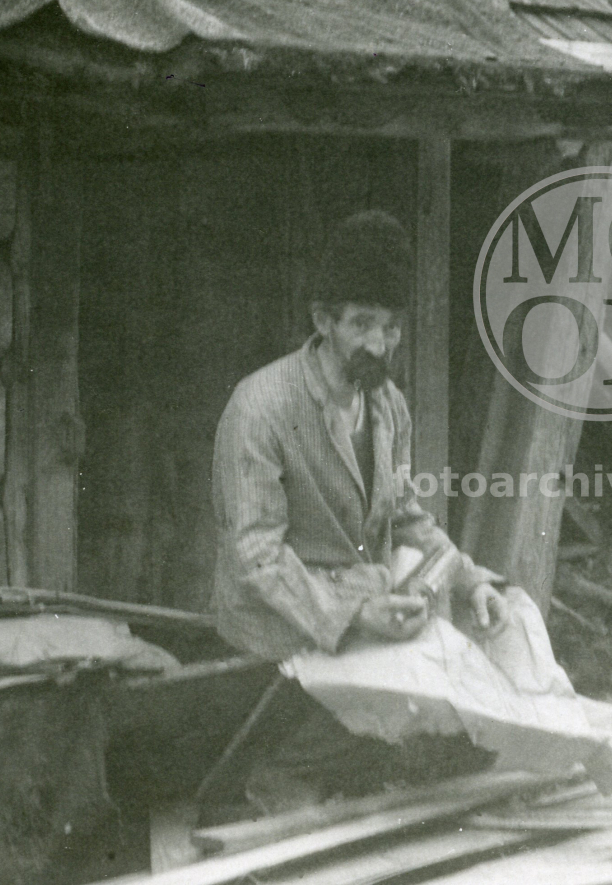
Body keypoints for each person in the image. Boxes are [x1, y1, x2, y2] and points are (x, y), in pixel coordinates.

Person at [211, 209, 507, 663]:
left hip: (364, 603)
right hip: (281, 624)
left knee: (507, 629)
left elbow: (405, 515)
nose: (379, 344)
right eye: (363, 323)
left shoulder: (388, 406)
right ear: (323, 320)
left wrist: (471, 580)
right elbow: (256, 553)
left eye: (390, 327)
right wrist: (355, 613)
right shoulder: (260, 407)